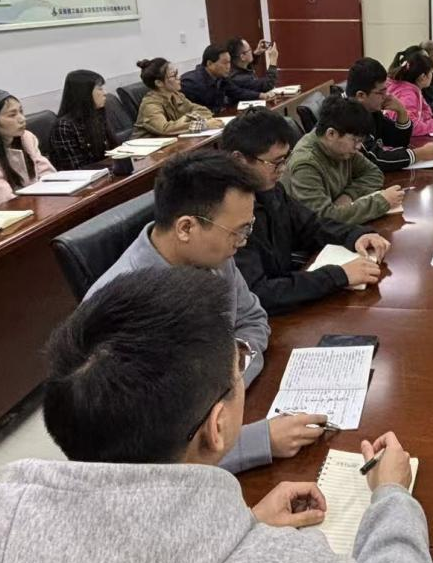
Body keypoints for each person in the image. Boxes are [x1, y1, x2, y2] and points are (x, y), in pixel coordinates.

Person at [0, 266, 433, 563]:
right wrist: (392, 496)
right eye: (238, 371)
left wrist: (239, 528)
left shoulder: (4, 520)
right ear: (217, 426)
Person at [85, 151, 314, 473]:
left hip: (226, 418)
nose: (243, 242)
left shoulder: (213, 255)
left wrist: (232, 375)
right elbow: (131, 457)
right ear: (186, 228)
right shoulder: (119, 312)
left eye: (247, 228)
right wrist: (257, 441)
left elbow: (252, 318)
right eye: (237, 231)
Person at [221, 108, 391, 314]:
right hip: (264, 316)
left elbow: (311, 225)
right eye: (275, 162)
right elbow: (259, 293)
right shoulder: (224, 214)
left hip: (286, 295)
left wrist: (355, 235)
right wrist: (337, 276)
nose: (283, 169)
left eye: (285, 159)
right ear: (239, 159)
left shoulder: (270, 190)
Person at [285, 95, 404, 226]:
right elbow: (322, 219)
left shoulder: (340, 148)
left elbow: (374, 173)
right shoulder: (305, 165)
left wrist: (348, 195)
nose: (358, 147)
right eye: (355, 140)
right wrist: (381, 202)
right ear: (331, 134)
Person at [347, 58, 433, 171]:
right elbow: (374, 159)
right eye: (381, 92)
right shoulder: (348, 117)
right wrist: (420, 154)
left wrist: (402, 112)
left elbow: (398, 142)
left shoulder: (371, 110)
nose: (387, 96)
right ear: (361, 96)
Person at [131, 57, 222, 137]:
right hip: (145, 148)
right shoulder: (150, 104)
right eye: (173, 76)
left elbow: (204, 111)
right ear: (159, 83)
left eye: (177, 74)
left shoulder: (176, 95)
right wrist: (204, 125)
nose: (179, 78)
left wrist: (187, 117)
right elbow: (164, 129)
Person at [47, 69, 116, 170]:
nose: (105, 93)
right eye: (100, 89)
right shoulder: (64, 127)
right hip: (88, 177)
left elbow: (114, 151)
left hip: (108, 172)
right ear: (84, 93)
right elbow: (76, 169)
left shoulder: (98, 115)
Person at [386, 50, 433, 137]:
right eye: (431, 72)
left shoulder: (412, 90)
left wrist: (427, 120)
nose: (432, 75)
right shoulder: (408, 95)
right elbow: (411, 127)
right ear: (423, 77)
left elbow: (422, 114)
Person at [179, 44, 235, 113]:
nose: (228, 66)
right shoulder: (190, 84)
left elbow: (237, 93)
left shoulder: (220, 77)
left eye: (229, 62)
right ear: (209, 64)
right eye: (225, 63)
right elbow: (194, 111)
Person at [225, 36, 280, 100]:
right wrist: (273, 60)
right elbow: (268, 84)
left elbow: (248, 64)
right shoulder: (240, 79)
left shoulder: (236, 68)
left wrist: (257, 53)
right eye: (249, 50)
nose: (252, 51)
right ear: (242, 57)